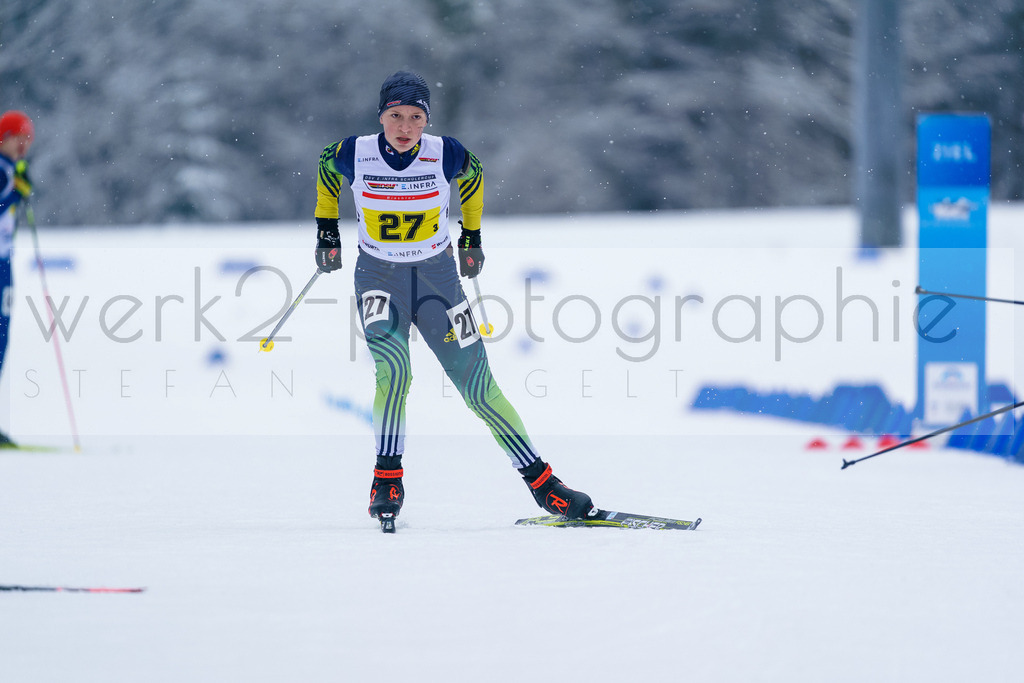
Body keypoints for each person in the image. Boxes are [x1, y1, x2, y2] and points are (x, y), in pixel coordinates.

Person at [313, 71, 596, 527]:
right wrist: (327, 229)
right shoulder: (353, 152)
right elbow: (326, 170)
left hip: (438, 281)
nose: (405, 127)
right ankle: (387, 477)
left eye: (416, 118)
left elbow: (475, 177)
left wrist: (472, 234)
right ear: (381, 117)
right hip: (378, 279)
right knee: (395, 370)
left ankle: (545, 486)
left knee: (479, 387)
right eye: (395, 116)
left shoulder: (447, 152)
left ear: (427, 121)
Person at [0, 110, 35, 448]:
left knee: (2, 338)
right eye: (19, 137)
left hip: (4, 262)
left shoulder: (11, 169)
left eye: (29, 139)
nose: (25, 144)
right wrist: (15, 194)